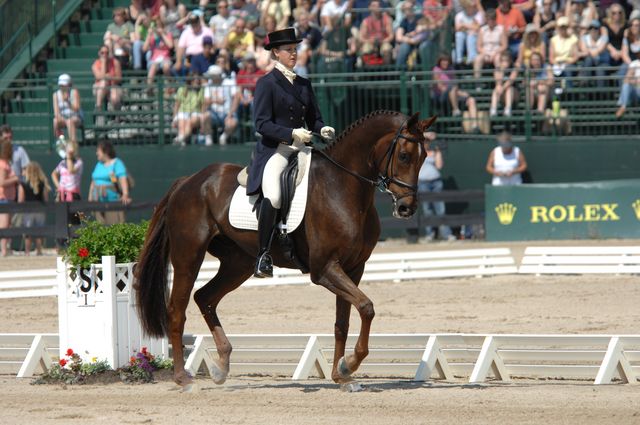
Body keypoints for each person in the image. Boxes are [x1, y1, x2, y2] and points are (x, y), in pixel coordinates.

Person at [248, 28, 334, 278]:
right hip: (277, 150)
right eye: (288, 50)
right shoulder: (266, 84)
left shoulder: (304, 84)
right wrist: (291, 133)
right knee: (274, 195)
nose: (293, 54)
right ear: (276, 52)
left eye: (295, 49)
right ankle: (263, 255)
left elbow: (314, 119)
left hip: (303, 148)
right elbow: (261, 124)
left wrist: (322, 128)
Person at [419, 132, 453, 242]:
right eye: (424, 141)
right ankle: (430, 234)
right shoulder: (417, 151)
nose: (426, 143)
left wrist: (438, 151)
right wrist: (427, 134)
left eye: (427, 141)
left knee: (440, 209)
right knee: (427, 209)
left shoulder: (434, 152)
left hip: (436, 182)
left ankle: (446, 234)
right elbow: (413, 134)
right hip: (423, 183)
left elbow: (439, 166)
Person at [88, 141, 131, 225]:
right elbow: (93, 180)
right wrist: (90, 198)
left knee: (114, 227)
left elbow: (122, 179)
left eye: (98, 151)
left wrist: (125, 194)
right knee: (100, 228)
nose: (96, 153)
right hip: (98, 203)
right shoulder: (99, 164)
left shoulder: (117, 163)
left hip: (113, 203)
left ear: (105, 152)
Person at [18, 162, 50, 256]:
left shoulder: (23, 184)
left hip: (28, 210)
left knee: (28, 231)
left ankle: (27, 251)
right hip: (40, 210)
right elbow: (46, 199)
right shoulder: (42, 183)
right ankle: (39, 250)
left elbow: (20, 200)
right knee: (39, 230)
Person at [92, 45, 123, 123]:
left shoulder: (115, 62)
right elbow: (99, 77)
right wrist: (103, 63)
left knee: (114, 97)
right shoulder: (95, 64)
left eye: (106, 53)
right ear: (99, 53)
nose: (104, 54)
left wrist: (109, 78)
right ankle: (98, 107)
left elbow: (119, 78)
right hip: (99, 87)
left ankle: (117, 117)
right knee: (103, 82)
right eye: (102, 53)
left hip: (113, 85)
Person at [474, 8, 507, 80]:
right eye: (489, 19)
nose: (491, 21)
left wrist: (495, 53)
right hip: (485, 52)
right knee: (478, 59)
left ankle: (498, 82)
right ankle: (477, 82)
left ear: (495, 19)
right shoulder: (482, 29)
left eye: (492, 19)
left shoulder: (501, 29)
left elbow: (504, 45)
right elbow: (478, 46)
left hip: (497, 52)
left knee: (497, 59)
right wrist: (485, 53)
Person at [0, 141, 18, 256]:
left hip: (9, 198)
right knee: (4, 225)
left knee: (9, 225)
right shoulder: (2, 164)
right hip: (3, 198)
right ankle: (3, 250)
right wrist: (15, 179)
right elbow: (2, 182)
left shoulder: (7, 163)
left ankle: (7, 248)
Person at [53, 74, 83, 142]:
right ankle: (60, 142)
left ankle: (73, 143)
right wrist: (60, 117)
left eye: (64, 85)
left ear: (69, 85)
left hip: (75, 117)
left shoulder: (74, 92)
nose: (63, 87)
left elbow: (77, 108)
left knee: (69, 121)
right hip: (62, 118)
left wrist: (68, 102)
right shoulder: (55, 95)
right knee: (55, 121)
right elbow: (56, 112)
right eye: (61, 85)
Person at [454, 0, 484, 66]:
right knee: (459, 35)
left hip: (475, 36)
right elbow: (457, 28)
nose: (472, 7)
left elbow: (477, 28)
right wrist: (471, 26)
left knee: (471, 35)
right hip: (463, 35)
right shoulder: (459, 15)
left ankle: (471, 59)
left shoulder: (478, 14)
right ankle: (459, 60)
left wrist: (464, 25)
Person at [490, 51, 519, 117]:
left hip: (514, 94)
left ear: (510, 61)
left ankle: (508, 109)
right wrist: (502, 70)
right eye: (502, 60)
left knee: (509, 88)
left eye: (506, 60)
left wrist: (502, 88)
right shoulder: (497, 69)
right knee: (496, 89)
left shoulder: (514, 68)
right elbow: (498, 82)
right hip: (502, 94)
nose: (504, 62)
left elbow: (510, 81)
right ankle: (493, 109)